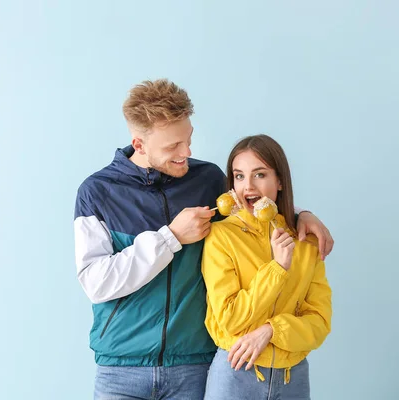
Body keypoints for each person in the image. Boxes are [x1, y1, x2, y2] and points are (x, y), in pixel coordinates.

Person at [73, 79, 334, 399]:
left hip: (193, 365)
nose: (187, 153)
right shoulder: (96, 192)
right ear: (139, 144)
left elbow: (253, 205)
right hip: (120, 369)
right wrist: (170, 237)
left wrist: (300, 215)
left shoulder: (208, 179)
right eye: (173, 147)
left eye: (188, 139)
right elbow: (95, 282)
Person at [202, 134, 333, 400]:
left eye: (259, 175)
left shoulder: (306, 240)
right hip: (236, 373)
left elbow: (319, 322)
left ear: (280, 181)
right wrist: (277, 268)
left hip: (293, 378)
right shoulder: (221, 237)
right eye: (239, 176)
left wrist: (272, 330)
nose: (247, 186)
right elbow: (229, 318)